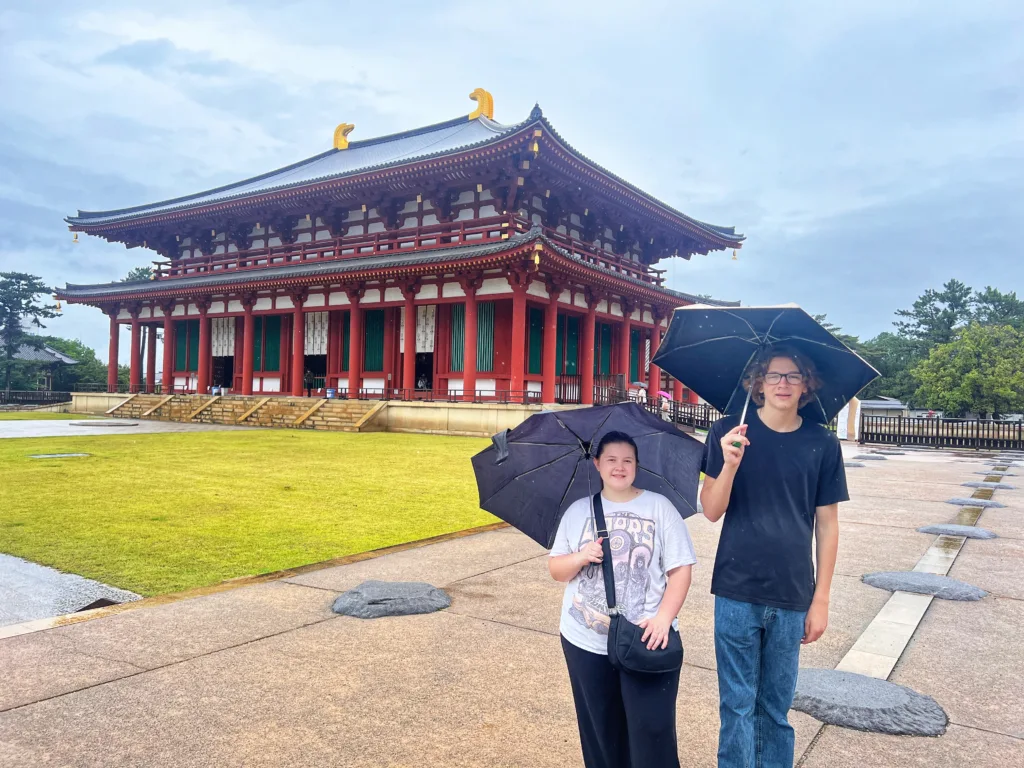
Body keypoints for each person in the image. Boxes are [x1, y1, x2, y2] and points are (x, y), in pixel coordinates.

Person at [701, 346, 846, 768]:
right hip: (735, 588)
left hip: (792, 592)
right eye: (774, 375)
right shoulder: (729, 432)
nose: (783, 384)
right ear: (757, 382)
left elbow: (828, 525)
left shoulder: (822, 442)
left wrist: (821, 599)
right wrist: (729, 464)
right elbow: (710, 510)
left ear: (807, 386)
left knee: (775, 710)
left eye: (793, 376)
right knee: (737, 706)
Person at [549, 430, 697, 768]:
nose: (619, 467)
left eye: (627, 460)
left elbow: (681, 570)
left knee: (652, 732)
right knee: (601, 730)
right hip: (585, 639)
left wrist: (663, 618)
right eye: (611, 460)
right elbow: (557, 569)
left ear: (637, 466)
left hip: (646, 636)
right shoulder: (577, 512)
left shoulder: (659, 507)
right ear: (597, 464)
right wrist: (581, 556)